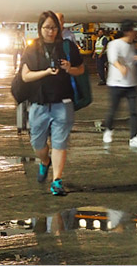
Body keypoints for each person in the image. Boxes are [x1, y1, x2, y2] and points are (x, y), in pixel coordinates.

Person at [21, 11, 84, 196]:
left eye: (54, 27)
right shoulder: (32, 49)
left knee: (59, 143)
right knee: (37, 144)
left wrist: (69, 68)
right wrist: (47, 72)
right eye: (47, 27)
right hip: (39, 104)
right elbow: (25, 76)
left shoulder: (67, 47)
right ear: (40, 29)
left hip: (63, 103)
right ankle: (45, 162)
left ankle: (57, 180)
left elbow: (80, 69)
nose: (51, 31)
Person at [102, 20, 137, 148]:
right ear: (127, 31)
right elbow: (112, 59)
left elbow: (129, 58)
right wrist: (120, 67)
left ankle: (134, 137)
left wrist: (136, 59)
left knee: (134, 112)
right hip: (116, 83)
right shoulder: (114, 44)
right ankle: (108, 130)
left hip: (131, 84)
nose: (135, 33)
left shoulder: (131, 45)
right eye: (133, 30)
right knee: (113, 110)